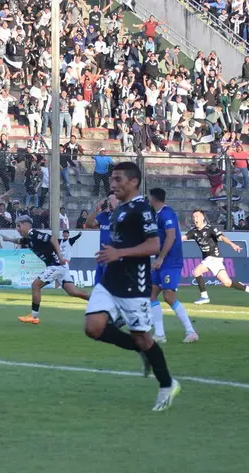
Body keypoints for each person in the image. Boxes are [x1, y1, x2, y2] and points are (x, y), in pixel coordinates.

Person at [83, 161, 180, 412]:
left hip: (134, 285)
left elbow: (153, 246)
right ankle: (140, 350)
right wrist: (110, 254)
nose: (113, 184)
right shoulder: (119, 209)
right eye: (112, 179)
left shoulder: (142, 210)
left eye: (117, 179)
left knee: (144, 338)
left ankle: (167, 384)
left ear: (133, 182)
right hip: (109, 280)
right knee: (93, 328)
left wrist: (120, 253)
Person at [15, 216, 88, 325]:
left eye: (18, 226)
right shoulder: (29, 238)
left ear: (25, 225)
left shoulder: (34, 234)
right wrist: (7, 239)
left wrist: (60, 257)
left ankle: (34, 316)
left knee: (35, 285)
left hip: (56, 266)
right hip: (60, 267)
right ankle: (99, 301)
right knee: (73, 292)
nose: (17, 229)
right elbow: (19, 240)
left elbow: (53, 239)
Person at [148, 188, 198, 344]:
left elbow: (171, 237)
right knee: (151, 295)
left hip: (170, 262)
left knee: (169, 297)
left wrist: (161, 258)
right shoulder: (157, 214)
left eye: (149, 197)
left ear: (154, 199)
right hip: (160, 260)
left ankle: (191, 331)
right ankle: (160, 334)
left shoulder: (166, 213)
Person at [187, 210, 249, 305]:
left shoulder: (210, 229)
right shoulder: (194, 232)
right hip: (210, 259)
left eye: (197, 216)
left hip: (214, 257)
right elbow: (183, 238)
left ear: (202, 218)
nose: (195, 219)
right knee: (227, 282)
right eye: (193, 217)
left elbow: (222, 238)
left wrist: (233, 245)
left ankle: (204, 297)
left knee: (196, 271)